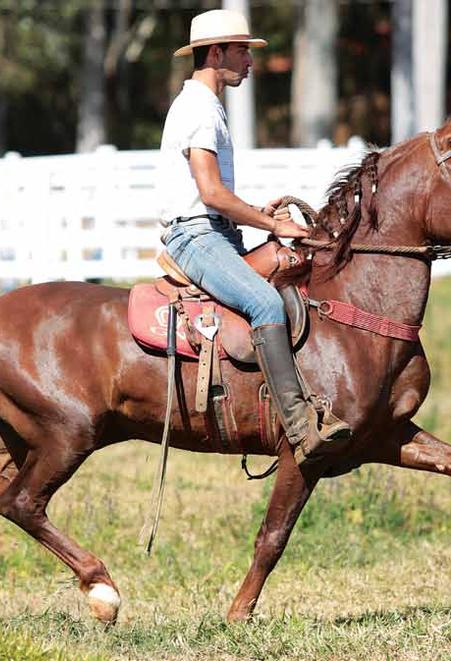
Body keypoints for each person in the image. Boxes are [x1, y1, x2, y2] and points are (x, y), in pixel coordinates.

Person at [159, 9, 350, 466]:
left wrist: (252, 215)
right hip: (195, 237)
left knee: (293, 274)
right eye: (242, 51)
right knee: (265, 304)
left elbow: (211, 194)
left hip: (214, 231)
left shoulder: (205, 105)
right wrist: (273, 225)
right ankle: (300, 426)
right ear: (216, 52)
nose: (250, 60)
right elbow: (209, 193)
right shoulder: (199, 109)